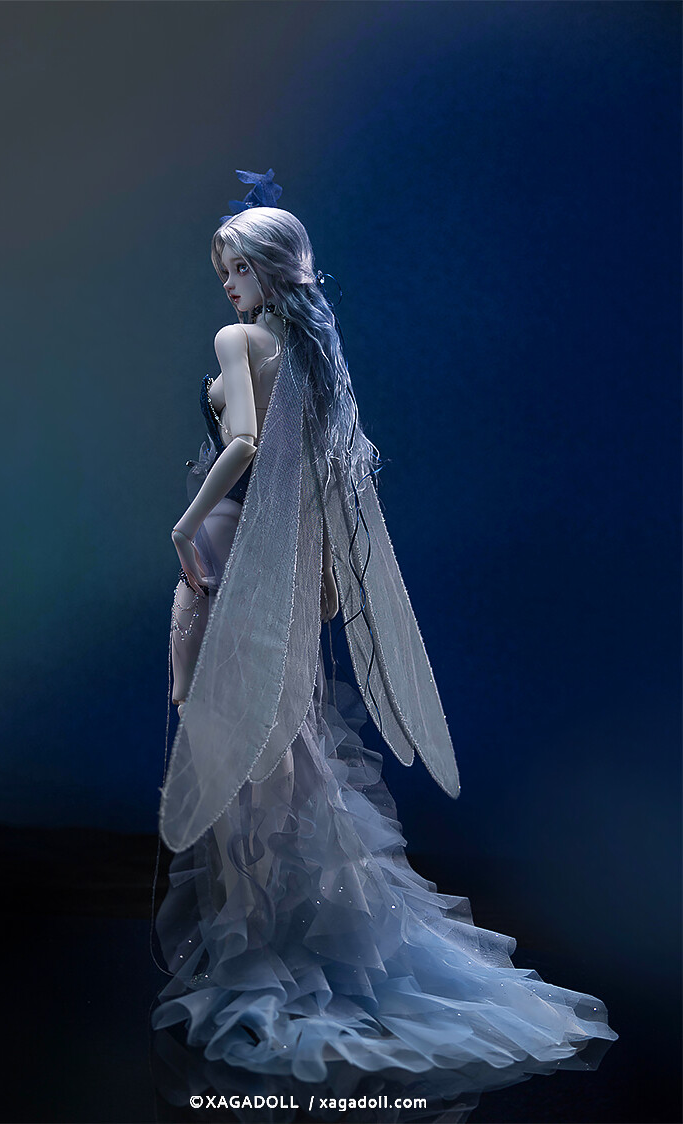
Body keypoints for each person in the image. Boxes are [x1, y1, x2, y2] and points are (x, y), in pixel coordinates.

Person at [151, 171, 618, 1083]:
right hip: (270, 566)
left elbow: (243, 445)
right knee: (278, 748)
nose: (228, 285)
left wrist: (183, 524)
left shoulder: (241, 339)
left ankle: (251, 937)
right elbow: (324, 483)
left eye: (237, 268)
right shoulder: (309, 353)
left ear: (266, 269)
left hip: (225, 555)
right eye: (224, 272)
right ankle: (278, 928)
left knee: (229, 742)